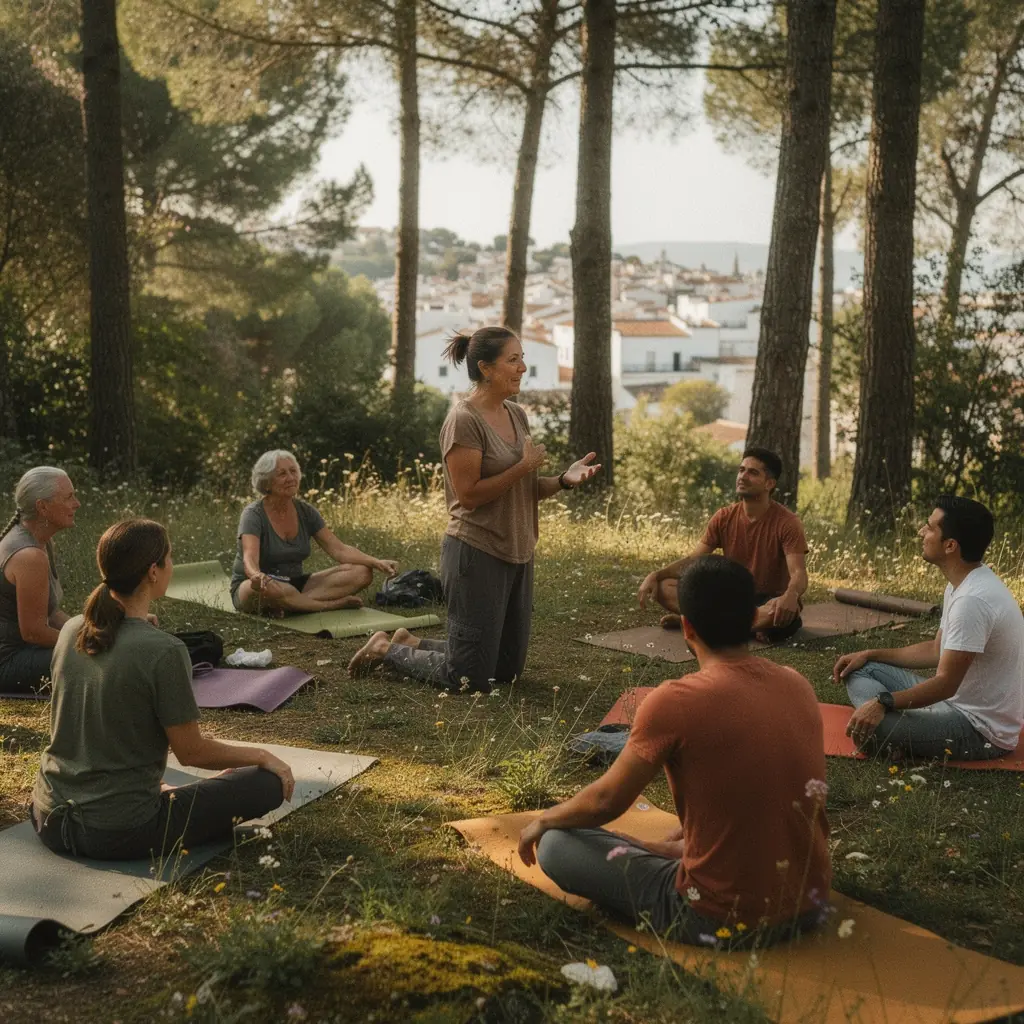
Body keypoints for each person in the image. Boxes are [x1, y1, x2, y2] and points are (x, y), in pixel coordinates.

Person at [519, 556, 831, 945]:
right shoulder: (797, 684)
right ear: (755, 618)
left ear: (686, 627)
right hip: (810, 903)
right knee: (673, 837)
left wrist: (546, 819)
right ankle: (683, 854)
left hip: (716, 917)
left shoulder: (674, 701)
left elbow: (606, 800)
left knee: (557, 844)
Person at [348, 325, 600, 690]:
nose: (522, 368)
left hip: (517, 550)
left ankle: (411, 641)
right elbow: (469, 496)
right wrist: (523, 467)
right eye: (513, 360)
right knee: (467, 677)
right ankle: (386, 649)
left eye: (522, 358)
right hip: (476, 551)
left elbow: (523, 489)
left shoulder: (516, 414)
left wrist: (562, 480)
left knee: (507, 671)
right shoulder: (464, 420)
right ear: (485, 368)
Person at [32, 519, 293, 860]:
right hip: (118, 832)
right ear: (153, 571)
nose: (172, 565)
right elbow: (192, 753)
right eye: (170, 558)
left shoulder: (72, 629)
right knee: (266, 782)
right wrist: (263, 756)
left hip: (47, 817)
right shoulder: (164, 651)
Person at [837, 496, 1024, 761]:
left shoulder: (972, 601)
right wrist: (869, 653)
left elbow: (946, 684)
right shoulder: (962, 583)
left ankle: (888, 731)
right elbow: (936, 650)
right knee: (861, 668)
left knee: (872, 729)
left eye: (930, 527)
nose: (921, 532)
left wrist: (883, 702)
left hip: (977, 730)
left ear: (950, 545)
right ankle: (896, 729)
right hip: (952, 703)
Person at [637, 447, 808, 643]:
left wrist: (791, 595)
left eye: (753, 472)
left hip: (767, 602)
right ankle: (734, 627)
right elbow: (693, 561)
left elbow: (798, 574)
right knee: (663, 586)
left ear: (769, 483)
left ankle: (700, 623)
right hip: (729, 598)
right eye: (741, 470)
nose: (743, 476)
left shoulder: (788, 522)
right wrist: (655, 575)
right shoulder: (724, 517)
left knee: (778, 612)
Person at [230, 450, 398, 614]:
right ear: (266, 482)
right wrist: (257, 576)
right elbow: (249, 558)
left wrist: (376, 562)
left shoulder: (306, 512)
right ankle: (330, 606)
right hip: (258, 585)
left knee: (362, 572)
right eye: (282, 474)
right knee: (266, 589)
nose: (291, 478)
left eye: (293, 471)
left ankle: (291, 605)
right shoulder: (253, 514)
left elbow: (339, 550)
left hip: (295, 585)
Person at [0, 467, 78, 694]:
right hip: (9, 662)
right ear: (42, 507)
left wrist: (91, 631)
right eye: (69, 497)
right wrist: (87, 644)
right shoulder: (29, 556)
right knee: (103, 662)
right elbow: (34, 632)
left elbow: (50, 614)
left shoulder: (40, 542)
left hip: (25, 652)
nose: (77, 503)